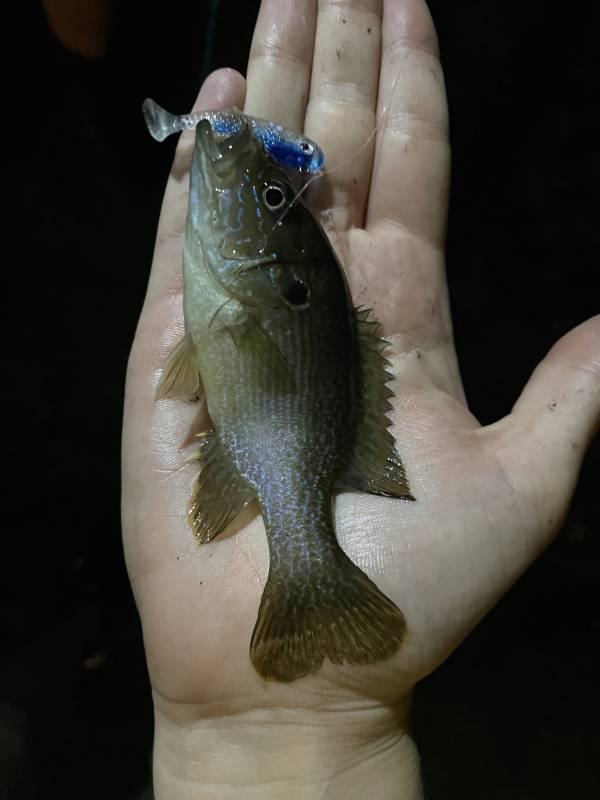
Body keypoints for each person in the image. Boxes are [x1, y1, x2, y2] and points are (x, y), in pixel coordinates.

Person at [122, 1, 600, 796]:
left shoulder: (255, 281)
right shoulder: (253, 281)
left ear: (279, 259)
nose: (265, 196)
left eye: (273, 203)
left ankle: (306, 580)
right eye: (273, 202)